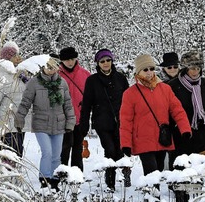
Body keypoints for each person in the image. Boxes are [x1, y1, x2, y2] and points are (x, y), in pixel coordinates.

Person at [119, 54, 192, 176]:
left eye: (152, 69)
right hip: (143, 140)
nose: (149, 72)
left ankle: (154, 194)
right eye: (145, 69)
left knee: (159, 171)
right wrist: (125, 143)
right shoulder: (130, 93)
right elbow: (126, 121)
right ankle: (152, 194)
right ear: (138, 72)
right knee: (151, 173)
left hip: (161, 138)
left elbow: (177, 110)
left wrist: (185, 129)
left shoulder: (165, 89)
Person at [15, 57, 76, 190]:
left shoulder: (62, 83)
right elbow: (25, 102)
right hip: (41, 123)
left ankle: (55, 180)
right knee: (47, 152)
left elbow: (68, 105)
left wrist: (70, 122)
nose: (51, 70)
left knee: (56, 154)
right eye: (48, 67)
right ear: (42, 67)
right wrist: (19, 119)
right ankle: (44, 179)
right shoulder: (34, 83)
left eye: (53, 67)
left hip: (59, 124)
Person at [80, 49, 129, 191]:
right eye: (102, 61)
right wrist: (84, 123)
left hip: (120, 122)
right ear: (98, 63)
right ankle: (110, 183)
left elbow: (129, 100)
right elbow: (87, 103)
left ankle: (126, 173)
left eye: (108, 60)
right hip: (102, 122)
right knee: (109, 149)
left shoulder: (120, 78)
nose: (106, 63)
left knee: (120, 151)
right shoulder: (92, 81)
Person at [0, 41, 31, 160]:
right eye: (15, 56)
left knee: (18, 152)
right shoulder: (1, 75)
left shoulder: (20, 75)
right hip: (7, 122)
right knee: (9, 152)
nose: (19, 58)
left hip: (20, 122)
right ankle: (6, 175)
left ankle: (12, 176)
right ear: (8, 58)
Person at [168, 50, 205, 169]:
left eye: (198, 68)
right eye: (192, 68)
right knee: (181, 169)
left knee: (201, 170)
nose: (195, 71)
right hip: (181, 135)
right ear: (185, 68)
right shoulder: (173, 85)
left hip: (202, 134)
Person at [58, 46, 91, 171]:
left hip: (80, 117)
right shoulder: (57, 75)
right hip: (63, 119)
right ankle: (62, 173)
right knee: (65, 147)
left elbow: (91, 95)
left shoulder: (85, 74)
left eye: (72, 59)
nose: (70, 62)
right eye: (66, 60)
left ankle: (76, 176)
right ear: (62, 61)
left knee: (78, 147)